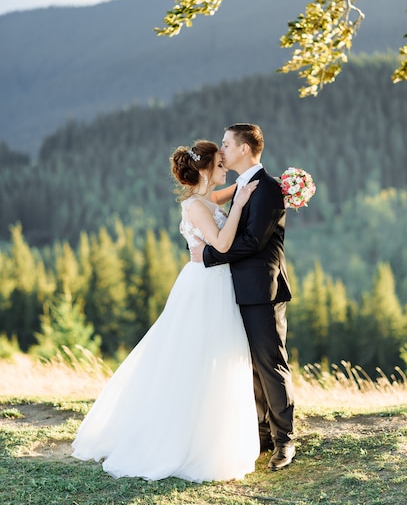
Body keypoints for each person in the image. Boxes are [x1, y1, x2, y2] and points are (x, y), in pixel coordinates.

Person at [71, 140, 260, 483]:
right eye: (220, 164)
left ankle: (210, 431)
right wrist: (240, 205)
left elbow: (231, 190)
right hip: (204, 286)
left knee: (215, 355)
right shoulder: (196, 207)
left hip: (214, 283)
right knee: (195, 356)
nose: (225, 169)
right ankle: (183, 440)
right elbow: (220, 244)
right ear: (205, 170)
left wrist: (251, 182)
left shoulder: (205, 198)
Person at [192, 123, 295, 471]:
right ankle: (263, 434)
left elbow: (252, 241)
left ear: (245, 149)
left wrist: (208, 256)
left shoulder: (266, 189)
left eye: (226, 144)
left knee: (270, 364)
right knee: (250, 367)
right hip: (237, 290)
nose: (221, 150)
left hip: (261, 291)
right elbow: (202, 202)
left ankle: (285, 441)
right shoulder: (242, 187)